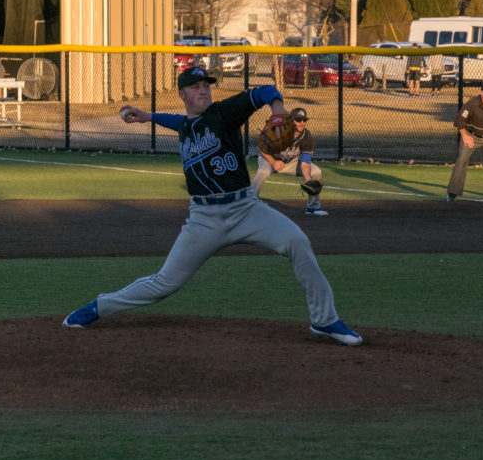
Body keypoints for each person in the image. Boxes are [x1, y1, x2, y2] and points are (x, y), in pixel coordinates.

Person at [61, 65, 362, 346]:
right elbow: (180, 122)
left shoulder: (224, 113)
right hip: (204, 219)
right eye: (195, 86)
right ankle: (99, 306)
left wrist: (279, 108)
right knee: (165, 283)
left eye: (206, 85)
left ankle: (325, 320)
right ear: (182, 94)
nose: (203, 90)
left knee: (297, 241)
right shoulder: (186, 126)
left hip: (246, 209)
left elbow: (265, 91)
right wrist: (148, 116)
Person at [252, 106, 328, 216]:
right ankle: (249, 204)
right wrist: (273, 162)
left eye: (304, 120)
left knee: (315, 172)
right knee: (263, 172)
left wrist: (307, 179)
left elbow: (305, 163)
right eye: (298, 120)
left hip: (290, 163)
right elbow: (262, 148)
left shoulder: (306, 137)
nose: (302, 123)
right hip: (269, 159)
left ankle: (313, 207)